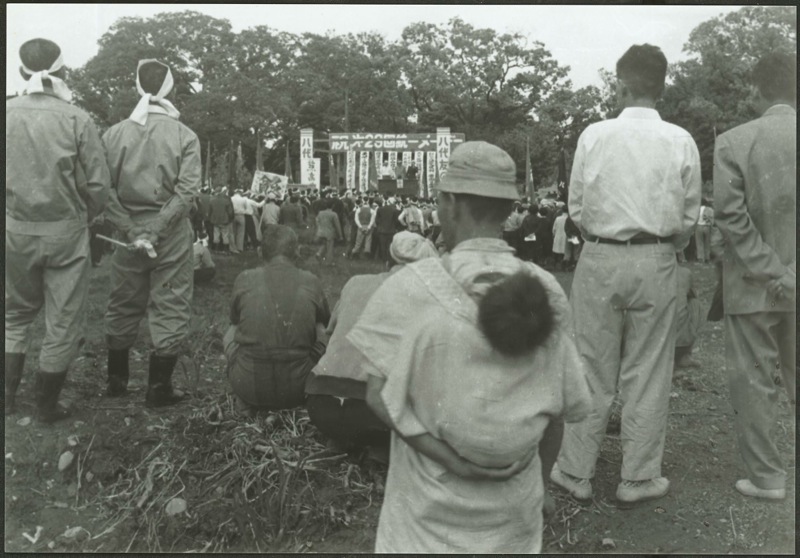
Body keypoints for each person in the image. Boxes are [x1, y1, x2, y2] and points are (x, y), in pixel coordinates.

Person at [346, 142, 591, 553]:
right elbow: (557, 412)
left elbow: (378, 396)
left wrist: (453, 461)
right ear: (508, 208)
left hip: (424, 517)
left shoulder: (409, 286)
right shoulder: (544, 289)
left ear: (450, 203)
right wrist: (542, 485)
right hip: (512, 512)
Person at [550, 44, 701, 505]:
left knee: (589, 365)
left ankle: (574, 470)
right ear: (662, 87)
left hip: (600, 254)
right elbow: (689, 214)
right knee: (649, 368)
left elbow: (577, 207)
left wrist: (602, 236)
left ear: (620, 86)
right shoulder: (680, 140)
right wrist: (664, 245)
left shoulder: (594, 135)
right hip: (656, 255)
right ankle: (637, 476)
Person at [5, 38, 110, 421]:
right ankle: (46, 406)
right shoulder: (77, 118)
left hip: (14, 230)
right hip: (66, 232)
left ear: (22, 72)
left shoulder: (7, 113)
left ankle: (6, 400)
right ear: (62, 71)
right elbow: (98, 185)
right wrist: (87, 216)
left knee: (13, 316)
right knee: (62, 321)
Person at [713, 52, 796, 501]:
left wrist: (772, 270)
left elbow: (730, 216)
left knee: (754, 380)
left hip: (751, 284)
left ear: (756, 88)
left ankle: (767, 477)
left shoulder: (733, 141)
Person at [102, 59, 201, 407]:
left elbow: (103, 190)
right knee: (171, 302)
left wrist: (131, 229)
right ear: (171, 88)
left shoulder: (113, 135)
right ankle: (159, 388)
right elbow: (186, 193)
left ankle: (116, 381)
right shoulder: (185, 136)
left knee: (122, 301)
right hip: (170, 232)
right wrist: (157, 229)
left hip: (126, 232)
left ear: (138, 87)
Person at [306, 232, 439, 452]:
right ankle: (378, 449)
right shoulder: (426, 299)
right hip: (374, 412)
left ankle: (343, 439)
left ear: (387, 262)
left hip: (320, 404)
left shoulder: (355, 282)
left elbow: (331, 330)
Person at [225, 225, 330, 411]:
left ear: (260, 252)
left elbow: (234, 319)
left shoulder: (245, 278)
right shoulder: (311, 280)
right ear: (297, 251)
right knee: (320, 325)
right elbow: (326, 322)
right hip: (300, 387)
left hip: (248, 387)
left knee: (233, 327)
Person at [673, 265, 703, 369]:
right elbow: (693, 294)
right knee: (695, 303)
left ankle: (682, 356)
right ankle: (683, 355)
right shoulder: (685, 272)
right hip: (674, 338)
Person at [315, 199, 343, 265]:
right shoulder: (334, 214)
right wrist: (340, 236)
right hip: (330, 233)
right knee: (330, 247)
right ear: (333, 206)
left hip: (321, 232)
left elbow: (317, 220)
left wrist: (319, 227)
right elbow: (337, 226)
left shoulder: (320, 213)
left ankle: (319, 253)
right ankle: (329, 262)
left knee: (324, 244)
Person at [208, 188, 234, 252]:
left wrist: (210, 218)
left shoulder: (212, 200)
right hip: (225, 220)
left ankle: (216, 249)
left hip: (215, 220)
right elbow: (230, 212)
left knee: (216, 235)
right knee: (225, 235)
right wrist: (230, 218)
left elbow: (209, 212)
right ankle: (225, 250)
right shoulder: (226, 200)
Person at [374, 196, 399, 264]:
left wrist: (380, 225)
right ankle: (389, 259)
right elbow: (396, 221)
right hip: (391, 230)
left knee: (382, 245)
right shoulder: (394, 210)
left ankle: (384, 259)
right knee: (389, 245)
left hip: (382, 230)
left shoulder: (380, 209)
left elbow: (377, 220)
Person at [695, 199, 714, 263]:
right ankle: (707, 258)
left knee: (699, 242)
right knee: (707, 243)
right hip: (707, 226)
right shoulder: (709, 209)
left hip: (699, 226)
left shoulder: (697, 209)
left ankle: (700, 258)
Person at [230, 189, 248, 254]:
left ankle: (233, 247)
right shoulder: (243, 199)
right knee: (241, 232)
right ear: (240, 193)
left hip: (233, 215)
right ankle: (239, 247)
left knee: (233, 232)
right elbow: (246, 207)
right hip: (241, 215)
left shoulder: (231, 198)